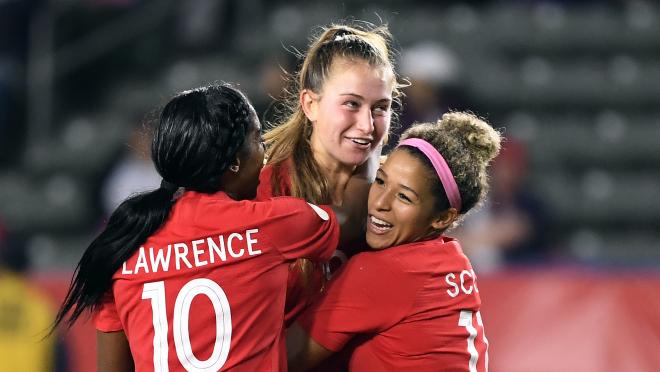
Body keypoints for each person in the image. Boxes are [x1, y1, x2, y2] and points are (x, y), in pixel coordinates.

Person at [53, 84, 363, 371]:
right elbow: (352, 217)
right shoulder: (270, 224)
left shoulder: (125, 244)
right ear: (235, 163)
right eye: (257, 139)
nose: (265, 152)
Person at [288, 111, 502, 372]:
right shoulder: (452, 260)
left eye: (404, 197)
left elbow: (283, 360)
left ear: (443, 218)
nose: (379, 203)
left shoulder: (386, 271)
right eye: (380, 181)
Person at [258, 22, 403, 326]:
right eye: (351, 103)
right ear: (310, 104)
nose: (366, 125)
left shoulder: (401, 191)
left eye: (380, 108)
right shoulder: (265, 188)